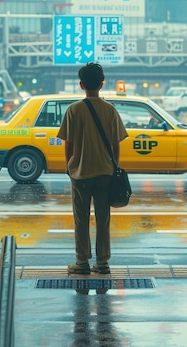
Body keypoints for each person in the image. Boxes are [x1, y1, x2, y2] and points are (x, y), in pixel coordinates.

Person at [57, 62, 128, 275]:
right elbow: (116, 145)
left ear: (81, 85)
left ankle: (81, 262)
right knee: (103, 218)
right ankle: (103, 262)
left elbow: (67, 144)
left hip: (80, 173)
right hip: (105, 173)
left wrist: (70, 166)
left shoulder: (73, 110)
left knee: (81, 218)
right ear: (102, 84)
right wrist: (113, 166)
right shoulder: (110, 110)